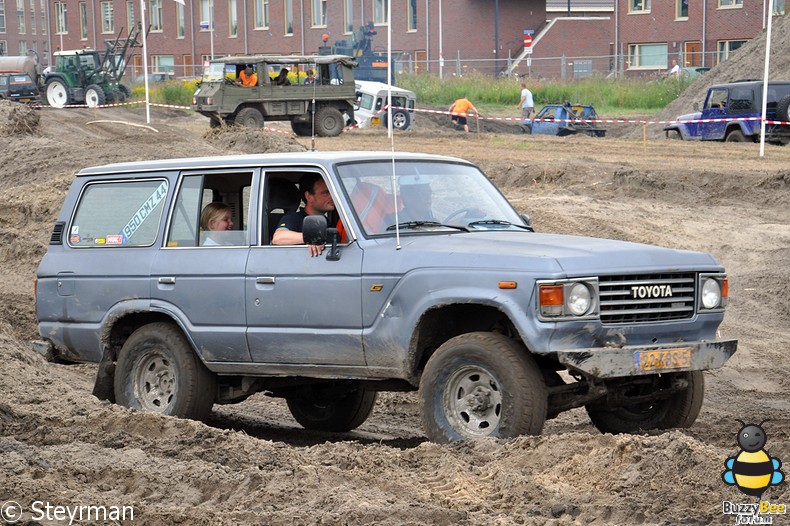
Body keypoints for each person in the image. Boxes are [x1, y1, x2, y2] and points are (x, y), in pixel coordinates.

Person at [272, 174, 335, 256]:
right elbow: (278, 238)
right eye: (325, 193)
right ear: (309, 196)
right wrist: (311, 238)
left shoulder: (329, 221)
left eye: (332, 192)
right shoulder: (293, 218)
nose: (332, 196)